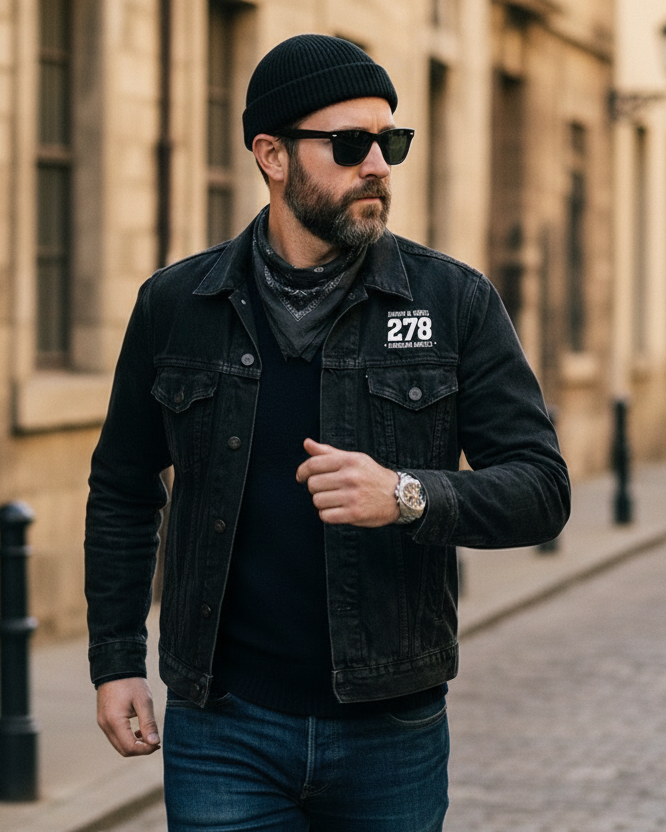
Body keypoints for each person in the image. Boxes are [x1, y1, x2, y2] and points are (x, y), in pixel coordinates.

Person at [85, 34, 570, 832]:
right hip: (224, 727)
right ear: (271, 156)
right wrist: (114, 662)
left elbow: (542, 489)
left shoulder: (451, 302)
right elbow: (123, 489)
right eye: (350, 144)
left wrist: (409, 495)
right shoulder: (177, 307)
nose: (377, 163)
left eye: (391, 141)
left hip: (392, 728)